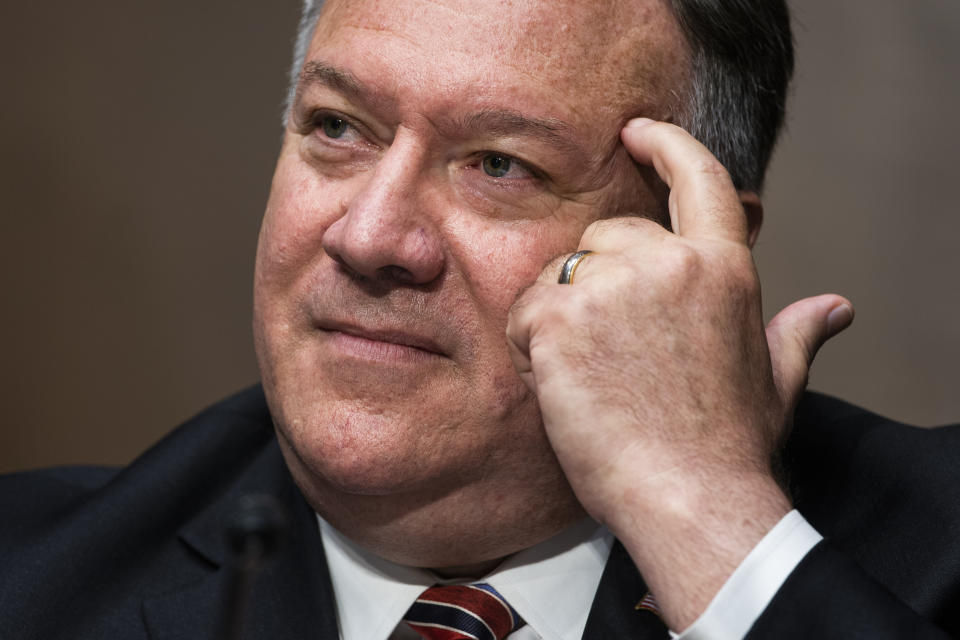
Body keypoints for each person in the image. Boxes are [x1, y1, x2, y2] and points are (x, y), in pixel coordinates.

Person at [1, 0, 958, 638]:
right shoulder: (26, 573)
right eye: (338, 126)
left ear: (697, 250)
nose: (370, 236)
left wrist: (706, 521)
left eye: (499, 164)